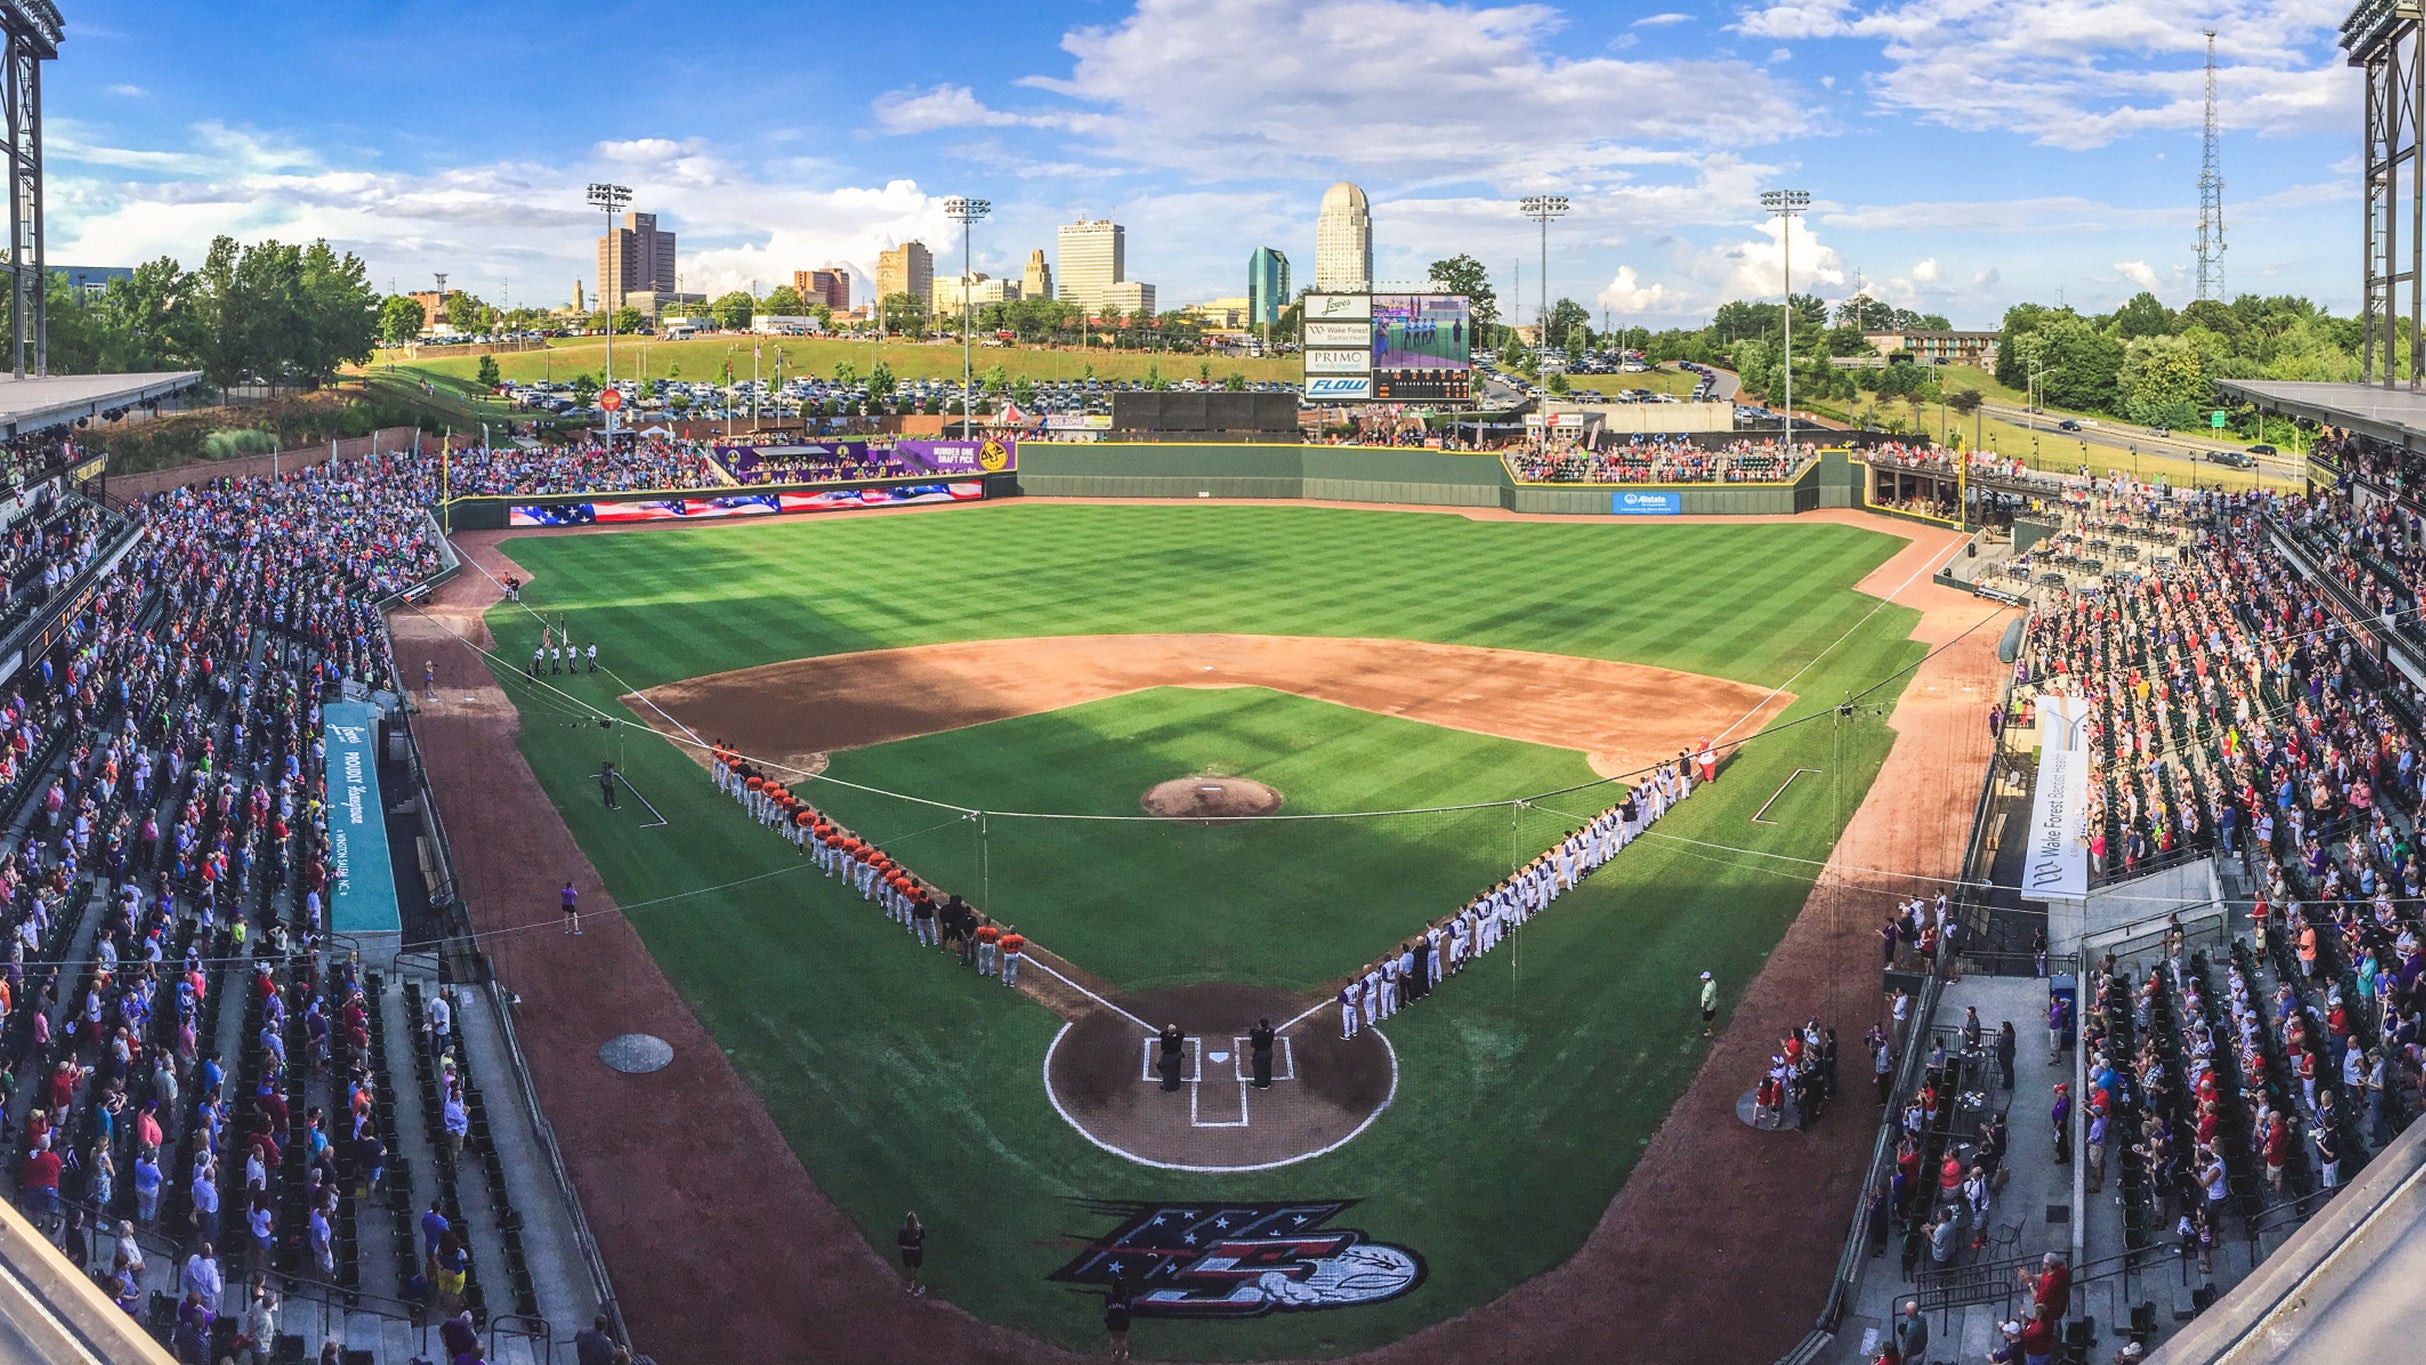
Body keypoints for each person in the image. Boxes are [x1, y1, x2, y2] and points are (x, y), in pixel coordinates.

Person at [898, 1212, 926, 1296]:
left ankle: (909, 1287)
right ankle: (917, 1289)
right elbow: (922, 1239)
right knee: (916, 1271)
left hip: (906, 1252)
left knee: (908, 1269)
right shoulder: (920, 1229)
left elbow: (900, 1243)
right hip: (917, 1252)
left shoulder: (902, 1230)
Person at [1105, 1278, 1133, 1361]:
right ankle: (1122, 1355)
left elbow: (1107, 1305)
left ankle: (1114, 1354)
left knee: (1113, 1337)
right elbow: (1128, 1308)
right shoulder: (1126, 1299)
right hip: (1123, 1322)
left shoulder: (1108, 1298)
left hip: (1111, 1321)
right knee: (1122, 1338)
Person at [1158, 1025, 1186, 1092]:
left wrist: (1159, 1059)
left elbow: (1162, 1049)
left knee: (1167, 1072)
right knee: (1176, 1071)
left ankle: (1167, 1087)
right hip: (1177, 1056)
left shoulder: (1165, 1039)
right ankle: (1176, 1086)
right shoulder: (1179, 1036)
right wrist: (1174, 1033)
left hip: (1168, 1057)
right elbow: (1181, 1033)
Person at [1249, 1018, 1275, 1089]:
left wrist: (1254, 1034)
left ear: (1260, 1025)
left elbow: (1253, 1045)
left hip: (1260, 1053)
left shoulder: (1257, 1035)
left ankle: (1259, 1084)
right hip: (1269, 1052)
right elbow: (1265, 1033)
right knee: (1267, 1068)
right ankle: (1267, 1082)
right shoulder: (1271, 1031)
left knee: (1258, 1069)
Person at [1995, 1021, 2017, 1091]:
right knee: (2010, 1070)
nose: (2001, 1028)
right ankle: (2010, 1083)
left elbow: (2000, 1047)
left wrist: (1992, 1047)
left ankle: (2007, 1085)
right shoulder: (2012, 1034)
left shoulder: (2005, 1037)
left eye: (2002, 1027)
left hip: (2005, 1057)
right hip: (2010, 1054)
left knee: (2006, 1071)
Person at [1700, 970, 1718, 1038]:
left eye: (1703, 978)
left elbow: (1706, 1000)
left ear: (1706, 979)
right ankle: (1712, 1029)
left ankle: (1712, 1032)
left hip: (1709, 1007)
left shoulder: (1708, 989)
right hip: (1713, 1002)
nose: (1702, 979)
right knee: (1712, 1017)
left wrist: (1704, 1007)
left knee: (1709, 1020)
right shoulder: (1712, 982)